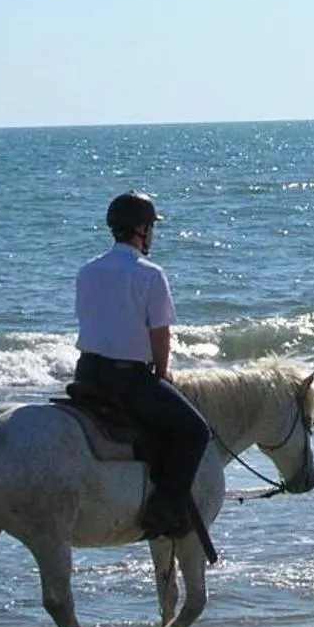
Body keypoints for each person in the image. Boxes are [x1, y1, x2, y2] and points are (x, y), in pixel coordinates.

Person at [73, 192, 216, 551]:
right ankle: (164, 510)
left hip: (87, 375)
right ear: (140, 229)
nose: (151, 234)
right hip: (127, 380)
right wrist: (163, 372)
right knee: (195, 431)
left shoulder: (88, 270)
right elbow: (160, 334)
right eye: (150, 227)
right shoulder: (150, 275)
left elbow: (90, 320)